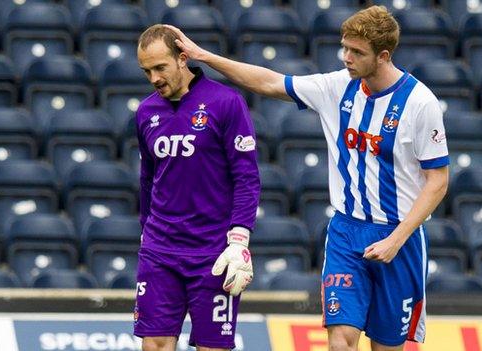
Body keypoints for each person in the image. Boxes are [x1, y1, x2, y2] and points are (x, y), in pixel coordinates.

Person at [168, 5, 449, 351]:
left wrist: (396, 240)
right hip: (346, 233)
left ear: (383, 56)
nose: (346, 57)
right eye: (345, 47)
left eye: (356, 52)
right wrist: (204, 56)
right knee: (340, 342)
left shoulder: (420, 103)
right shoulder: (336, 86)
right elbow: (269, 82)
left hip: (399, 237)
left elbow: (437, 180)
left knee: (387, 346)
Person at [133, 24, 260, 351]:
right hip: (160, 250)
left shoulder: (226, 102)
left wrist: (239, 240)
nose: (154, 78)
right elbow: (148, 178)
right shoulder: (146, 112)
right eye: (146, 71)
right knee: (155, 344)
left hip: (214, 252)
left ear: (182, 58)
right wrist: (145, 230)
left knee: (212, 348)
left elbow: (246, 177)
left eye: (160, 67)